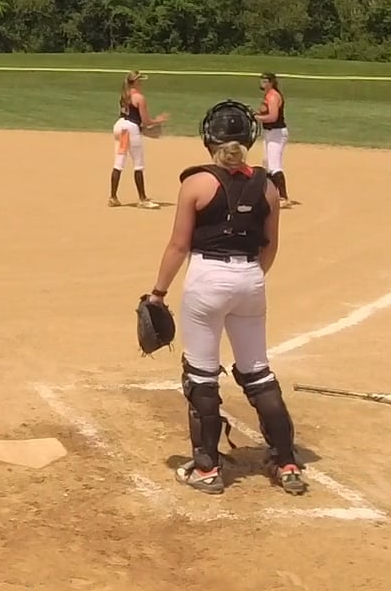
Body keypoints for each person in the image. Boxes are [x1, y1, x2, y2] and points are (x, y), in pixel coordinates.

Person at [142, 100, 306, 497]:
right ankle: (286, 462)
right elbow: (270, 246)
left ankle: (207, 469)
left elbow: (178, 246)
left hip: (206, 280)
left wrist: (158, 294)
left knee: (201, 375)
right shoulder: (267, 186)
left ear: (209, 139)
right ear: (249, 139)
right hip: (251, 279)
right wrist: (248, 279)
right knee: (257, 372)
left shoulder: (196, 184)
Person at [111, 71, 168, 209]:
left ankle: (113, 197)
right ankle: (142, 199)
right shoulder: (139, 98)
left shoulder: (124, 95)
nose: (141, 82)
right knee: (138, 164)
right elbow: (146, 121)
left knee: (119, 162)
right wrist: (158, 120)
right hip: (130, 129)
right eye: (140, 80)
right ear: (135, 82)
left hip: (120, 127)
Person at [255, 72, 294, 208]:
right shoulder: (268, 95)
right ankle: (269, 194)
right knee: (266, 164)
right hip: (270, 133)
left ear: (271, 82)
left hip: (276, 133)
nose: (262, 83)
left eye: (265, 81)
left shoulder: (273, 96)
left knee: (274, 165)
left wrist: (257, 118)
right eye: (261, 80)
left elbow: (273, 117)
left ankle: (283, 198)